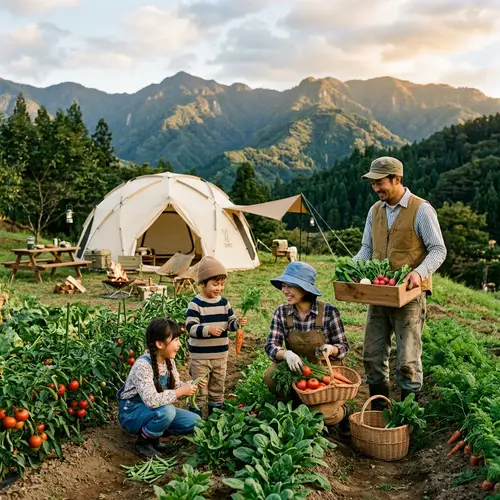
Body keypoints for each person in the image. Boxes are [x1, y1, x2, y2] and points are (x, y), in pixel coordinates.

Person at [355, 156, 447, 410]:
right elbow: (366, 248)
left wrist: (419, 273)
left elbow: (438, 250)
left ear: (397, 179)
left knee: (407, 360)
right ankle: (379, 410)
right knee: (372, 356)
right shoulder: (375, 211)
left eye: (380, 183)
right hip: (379, 293)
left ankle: (409, 414)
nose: (376, 189)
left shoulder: (421, 210)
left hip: (409, 297)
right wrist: (354, 267)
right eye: (373, 184)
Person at [263, 261, 351, 435]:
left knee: (325, 415)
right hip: (296, 368)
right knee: (270, 376)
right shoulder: (281, 312)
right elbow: (270, 345)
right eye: (283, 286)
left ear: (305, 288)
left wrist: (331, 349)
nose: (285, 291)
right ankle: (294, 403)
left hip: (323, 371)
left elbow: (344, 347)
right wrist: (286, 354)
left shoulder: (328, 312)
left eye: (290, 286)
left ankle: (343, 412)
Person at [117, 318, 205, 458]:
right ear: (159, 344)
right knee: (167, 411)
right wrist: (179, 392)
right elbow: (151, 401)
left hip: (156, 410)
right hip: (132, 414)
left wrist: (190, 384)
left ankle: (153, 436)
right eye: (175, 340)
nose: (179, 344)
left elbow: (176, 385)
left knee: (196, 421)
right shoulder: (143, 366)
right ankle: (144, 442)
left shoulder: (169, 361)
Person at [185, 256, 247, 416]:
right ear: (202, 284)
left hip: (220, 356)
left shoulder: (224, 303)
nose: (219, 288)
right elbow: (190, 327)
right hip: (200, 358)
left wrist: (238, 323)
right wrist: (208, 330)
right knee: (200, 391)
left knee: (217, 388)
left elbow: (230, 323)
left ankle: (214, 421)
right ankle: (195, 421)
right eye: (215, 284)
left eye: (221, 284)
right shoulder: (195, 304)